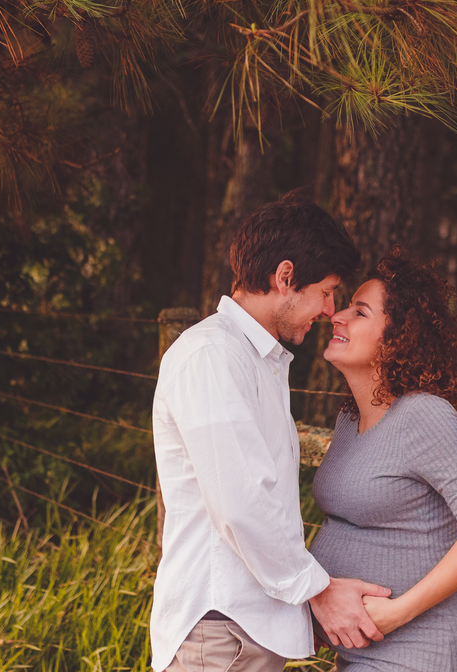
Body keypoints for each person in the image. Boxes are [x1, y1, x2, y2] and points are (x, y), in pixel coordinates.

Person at [151, 193, 393, 672]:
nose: (329, 309)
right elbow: (242, 504)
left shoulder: (255, 360)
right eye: (325, 291)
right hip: (221, 633)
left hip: (242, 629)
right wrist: (318, 591)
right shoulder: (212, 357)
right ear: (285, 278)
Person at [311, 247, 457, 671]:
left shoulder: (424, 415)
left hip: (421, 646)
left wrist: (396, 612)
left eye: (360, 312)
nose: (338, 316)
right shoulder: (350, 419)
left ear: (399, 337)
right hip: (359, 648)